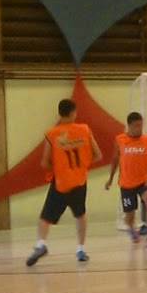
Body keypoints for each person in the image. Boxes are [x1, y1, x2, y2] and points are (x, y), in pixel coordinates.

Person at [28, 98, 103, 267]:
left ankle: (41, 244)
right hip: (79, 181)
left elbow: (44, 162)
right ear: (73, 112)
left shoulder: (52, 133)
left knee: (45, 217)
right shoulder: (84, 130)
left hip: (61, 182)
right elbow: (98, 155)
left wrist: (60, 168)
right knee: (80, 215)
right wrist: (82, 166)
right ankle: (80, 249)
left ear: (59, 113)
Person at [104, 111, 147, 249]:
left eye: (141, 125)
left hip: (144, 180)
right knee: (129, 217)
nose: (139, 128)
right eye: (136, 126)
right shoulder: (120, 140)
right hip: (126, 183)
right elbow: (115, 160)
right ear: (129, 126)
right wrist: (110, 179)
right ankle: (131, 229)